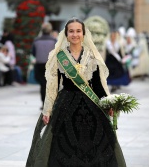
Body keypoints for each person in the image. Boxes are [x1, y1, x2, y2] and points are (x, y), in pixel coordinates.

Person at [26, 18, 126, 167]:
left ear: (84, 34)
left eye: (78, 31)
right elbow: (52, 86)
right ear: (66, 34)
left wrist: (108, 103)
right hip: (65, 105)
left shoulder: (92, 55)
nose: (75, 34)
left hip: (91, 106)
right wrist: (47, 110)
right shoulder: (59, 56)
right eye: (71, 31)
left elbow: (98, 85)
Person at [32, 22, 57, 110]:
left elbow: (34, 53)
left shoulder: (36, 41)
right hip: (50, 65)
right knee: (51, 85)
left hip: (39, 65)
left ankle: (44, 104)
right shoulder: (54, 41)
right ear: (50, 30)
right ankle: (51, 103)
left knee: (43, 85)